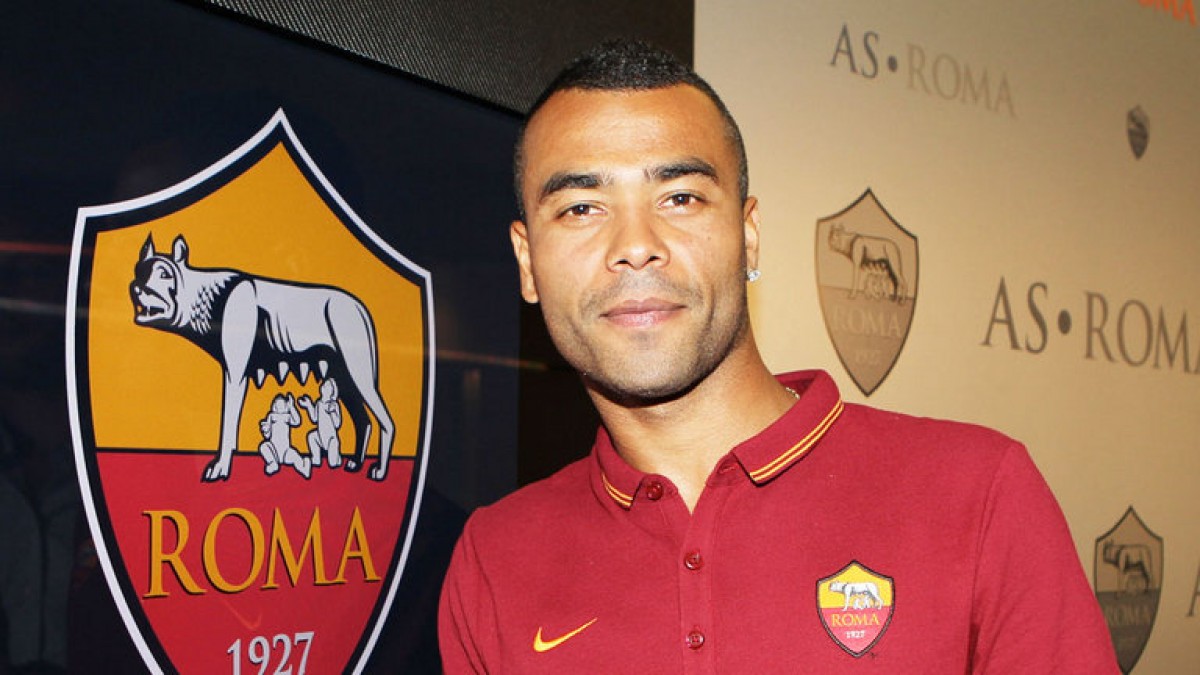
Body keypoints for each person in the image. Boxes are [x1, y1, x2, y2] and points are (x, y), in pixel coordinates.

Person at [438, 39, 1118, 673]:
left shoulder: (979, 494)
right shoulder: (493, 559)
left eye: (680, 197)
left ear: (749, 235)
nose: (636, 245)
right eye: (582, 208)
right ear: (527, 261)